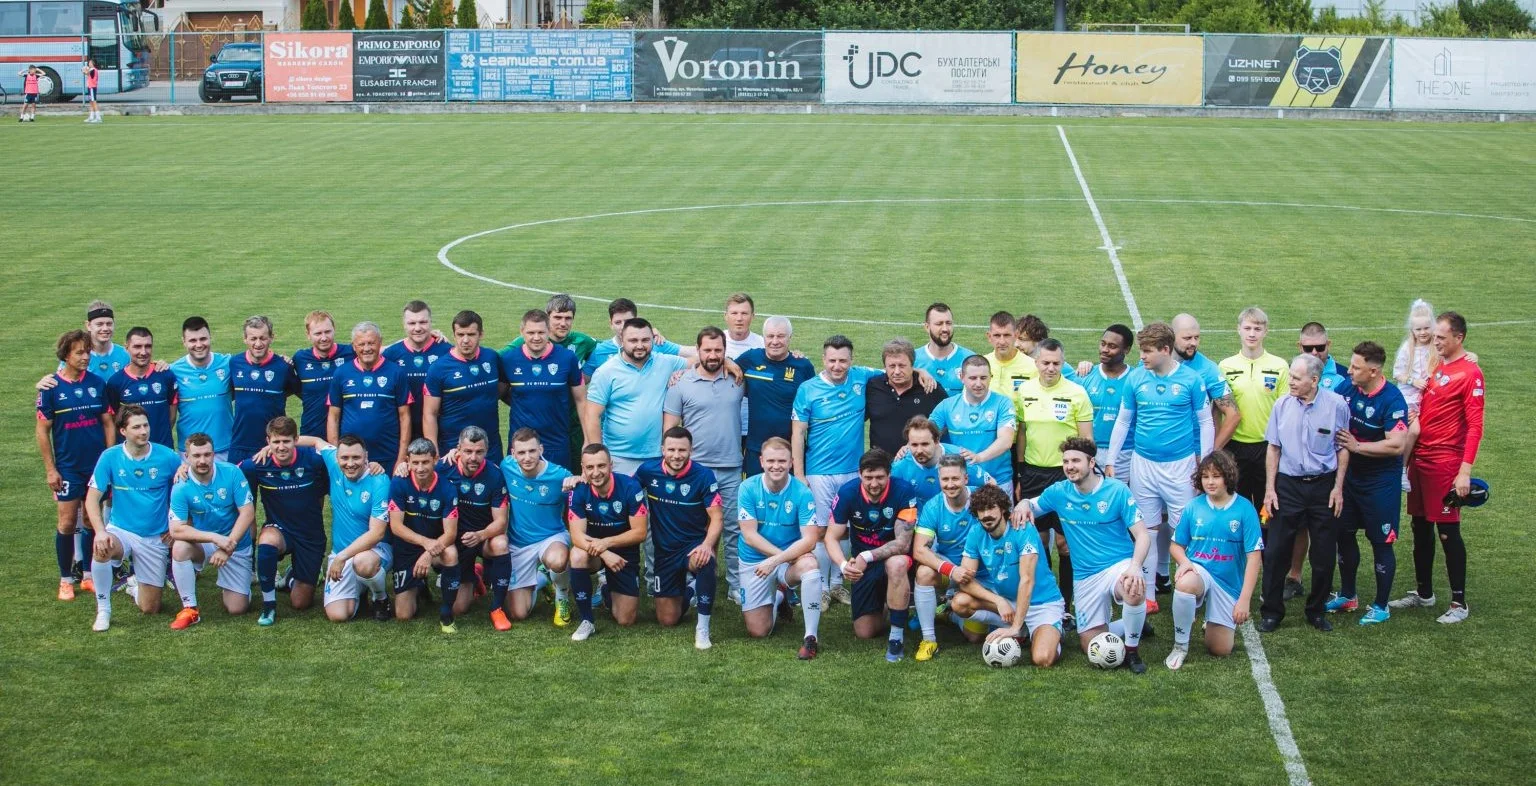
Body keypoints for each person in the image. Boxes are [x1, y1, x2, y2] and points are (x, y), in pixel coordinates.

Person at [1013, 437, 1151, 674]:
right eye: (1066, 461)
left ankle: (1132, 650)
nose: (1069, 466)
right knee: (1090, 645)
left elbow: (1143, 535)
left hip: (1118, 565)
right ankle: (1132, 622)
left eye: (1076, 461)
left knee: (1133, 588)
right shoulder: (1059, 492)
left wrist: (1135, 566)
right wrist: (1024, 502)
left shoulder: (1117, 491)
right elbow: (1032, 505)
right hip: (1085, 575)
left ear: (1091, 462)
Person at [1107, 322, 1213, 612]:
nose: (1141, 356)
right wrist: (1111, 459)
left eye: (1147, 351)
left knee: (1184, 530)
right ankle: (1150, 594)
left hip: (1181, 467)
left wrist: (1205, 461)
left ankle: (1190, 588)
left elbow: (1206, 421)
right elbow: (1124, 420)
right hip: (1143, 465)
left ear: (1165, 350)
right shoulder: (1136, 378)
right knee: (1149, 530)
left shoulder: (1191, 380)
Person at [1392, 312, 1483, 624]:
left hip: (1445, 464)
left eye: (1442, 337)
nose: (1435, 341)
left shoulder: (1470, 373)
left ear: (1459, 338)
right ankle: (1424, 593)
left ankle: (1459, 603)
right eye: (1435, 336)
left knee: (1447, 530)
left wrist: (1464, 470)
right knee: (1419, 526)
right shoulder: (1438, 365)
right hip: (1420, 459)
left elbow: (1475, 426)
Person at [1258, 354, 1350, 633]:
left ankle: (1316, 611)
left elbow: (1342, 448)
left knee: (1323, 554)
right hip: (1288, 485)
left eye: (1297, 378)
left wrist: (1338, 488)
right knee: (1276, 551)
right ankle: (1271, 612)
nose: (1291, 382)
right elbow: (1273, 448)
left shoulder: (1336, 405)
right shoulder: (1282, 405)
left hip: (1323, 486)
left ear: (1314, 380)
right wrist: (1270, 489)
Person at [793, 335, 882, 605]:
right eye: (832, 360)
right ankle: (821, 585)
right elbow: (798, 434)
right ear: (823, 359)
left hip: (853, 471)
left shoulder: (861, 377)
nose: (837, 366)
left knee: (844, 528)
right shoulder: (808, 389)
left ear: (851, 360)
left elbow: (893, 369)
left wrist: (921, 372)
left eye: (843, 360)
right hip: (819, 472)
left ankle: (836, 584)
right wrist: (799, 474)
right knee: (822, 530)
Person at [83, 405, 185, 631]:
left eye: (145, 425)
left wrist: (177, 525)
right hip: (122, 530)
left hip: (155, 536)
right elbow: (92, 499)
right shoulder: (110, 457)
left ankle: (134, 585)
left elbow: (186, 493)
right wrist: (100, 532)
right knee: (102, 548)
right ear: (123, 431)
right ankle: (103, 610)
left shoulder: (168, 457)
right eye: (136, 427)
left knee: (151, 608)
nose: (143, 431)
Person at [1329, 342, 1410, 626]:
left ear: (1373, 371)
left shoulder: (1392, 400)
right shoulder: (1348, 388)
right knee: (1343, 533)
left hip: (1380, 482)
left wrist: (1357, 446)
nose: (1349, 371)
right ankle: (1348, 595)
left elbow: (1396, 445)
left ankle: (1381, 605)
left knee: (1380, 541)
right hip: (1350, 477)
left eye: (1356, 367)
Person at [1012, 338, 1093, 616]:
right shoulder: (1024, 391)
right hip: (1033, 473)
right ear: (1036, 362)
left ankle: (1067, 604)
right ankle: (1048, 599)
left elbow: (1086, 440)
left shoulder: (1077, 393)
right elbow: (1022, 433)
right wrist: (1020, 471)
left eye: (1056, 363)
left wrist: (1082, 476)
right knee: (1039, 539)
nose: (1050, 368)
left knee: (1065, 543)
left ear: (1063, 363)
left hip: (1065, 475)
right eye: (1045, 362)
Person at [664, 326, 745, 602]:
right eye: (707, 350)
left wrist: (731, 363)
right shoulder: (680, 383)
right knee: (694, 529)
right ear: (697, 350)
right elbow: (670, 428)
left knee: (733, 527)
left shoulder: (738, 379)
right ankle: (693, 579)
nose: (713, 355)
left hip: (731, 467)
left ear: (725, 351)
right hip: (695, 470)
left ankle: (735, 584)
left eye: (718, 350)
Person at [36, 330, 115, 600]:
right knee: (68, 522)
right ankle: (65, 579)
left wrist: (108, 461)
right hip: (68, 468)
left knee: (92, 521)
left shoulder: (97, 383)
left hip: (95, 467)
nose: (85, 357)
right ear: (66, 355)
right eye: (79, 352)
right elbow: (42, 431)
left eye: (87, 352)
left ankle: (88, 575)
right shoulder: (50, 389)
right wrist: (51, 469)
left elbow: (107, 423)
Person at [1166, 450, 1263, 669]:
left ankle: (1210, 621)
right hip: (1200, 571)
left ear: (1228, 477)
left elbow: (1254, 558)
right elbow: (1175, 545)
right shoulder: (1193, 506)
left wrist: (1244, 600)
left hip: (1228, 583)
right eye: (1205, 476)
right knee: (1186, 583)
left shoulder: (1245, 509)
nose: (1210, 482)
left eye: (1216, 476)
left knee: (1220, 649)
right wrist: (1185, 562)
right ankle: (1180, 646)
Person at [951, 484, 1065, 669]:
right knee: (959, 602)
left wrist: (1015, 627)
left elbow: (1027, 580)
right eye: (981, 510)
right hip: (1009, 603)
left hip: (1042, 604)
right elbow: (965, 580)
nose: (986, 515)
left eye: (991, 508)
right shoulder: (976, 532)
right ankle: (1024, 631)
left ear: (1003, 509)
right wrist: (998, 600)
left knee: (1042, 659)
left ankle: (1053, 629)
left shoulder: (1023, 528)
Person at [824, 449, 920, 662]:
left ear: (889, 474)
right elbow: (830, 537)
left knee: (896, 564)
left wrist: (866, 556)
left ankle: (896, 638)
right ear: (860, 474)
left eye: (879, 477)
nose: (874, 484)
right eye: (868, 477)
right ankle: (890, 604)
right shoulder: (847, 493)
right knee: (864, 632)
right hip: (863, 565)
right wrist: (843, 565)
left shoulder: (904, 491)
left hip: (893, 558)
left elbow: (903, 544)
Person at [636, 427, 723, 650]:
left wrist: (707, 545)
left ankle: (702, 628)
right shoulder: (647, 471)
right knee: (667, 620)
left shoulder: (703, 475)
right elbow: (623, 489)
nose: (676, 455)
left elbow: (717, 518)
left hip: (691, 547)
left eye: (682, 450)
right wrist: (583, 479)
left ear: (691, 450)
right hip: (664, 552)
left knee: (705, 560)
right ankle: (692, 589)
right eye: (671, 450)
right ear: (662, 450)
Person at [736, 437, 823, 658]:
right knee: (758, 631)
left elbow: (810, 540)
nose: (776, 466)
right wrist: (779, 557)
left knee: (810, 565)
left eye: (782, 461)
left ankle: (811, 638)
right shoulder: (747, 487)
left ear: (791, 462)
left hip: (787, 560)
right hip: (755, 559)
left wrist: (776, 560)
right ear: (761, 461)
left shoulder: (802, 492)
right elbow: (749, 536)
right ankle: (780, 597)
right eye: (771, 461)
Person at [242, 416, 330, 627]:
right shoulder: (255, 465)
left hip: (310, 534)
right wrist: (186, 469)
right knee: (267, 541)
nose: (281, 447)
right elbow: (224, 473)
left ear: (296, 440)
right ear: (268, 441)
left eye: (286, 441)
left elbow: (342, 461)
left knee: (300, 603)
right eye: (276, 442)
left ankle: (292, 576)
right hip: (280, 529)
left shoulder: (315, 461)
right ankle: (269, 605)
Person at [167, 432, 257, 628]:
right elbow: (176, 530)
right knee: (180, 548)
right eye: (196, 456)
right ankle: (190, 609)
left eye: (207, 455)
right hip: (207, 542)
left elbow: (247, 513)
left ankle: (239, 586)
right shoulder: (181, 485)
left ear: (214, 454)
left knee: (237, 608)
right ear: (186, 457)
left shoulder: (232, 472)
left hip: (236, 543)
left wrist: (227, 547)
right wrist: (215, 539)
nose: (202, 461)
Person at [584, 317, 692, 476]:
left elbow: (701, 361)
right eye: (633, 340)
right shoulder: (606, 372)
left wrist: (683, 371)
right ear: (622, 340)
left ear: (653, 340)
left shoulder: (665, 362)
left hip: (658, 457)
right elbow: (592, 416)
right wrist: (599, 457)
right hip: (619, 458)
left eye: (645, 340)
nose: (640, 345)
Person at [503, 294, 598, 470]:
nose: (536, 337)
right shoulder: (509, 358)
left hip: (557, 441)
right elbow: (496, 391)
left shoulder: (568, 357)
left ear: (548, 331)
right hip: (521, 443)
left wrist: (588, 439)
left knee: (561, 484)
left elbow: (581, 400)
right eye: (531, 333)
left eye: (541, 332)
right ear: (522, 332)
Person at [566, 444, 649, 641]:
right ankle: (587, 620)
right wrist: (604, 551)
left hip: (623, 552)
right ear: (583, 468)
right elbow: (577, 536)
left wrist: (606, 543)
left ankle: (605, 589)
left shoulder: (630, 487)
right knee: (577, 554)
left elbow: (640, 532)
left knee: (626, 619)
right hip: (594, 552)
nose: (596, 472)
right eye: (590, 467)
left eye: (601, 466)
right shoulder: (578, 490)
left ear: (611, 464)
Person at [499, 428, 577, 626]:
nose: (527, 457)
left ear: (540, 449)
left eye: (532, 451)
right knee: (518, 613)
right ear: (513, 453)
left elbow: (583, 493)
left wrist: (579, 479)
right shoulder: (506, 467)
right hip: (519, 544)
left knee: (558, 560)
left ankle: (562, 598)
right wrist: (455, 454)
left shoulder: (560, 475)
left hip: (551, 538)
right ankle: (543, 578)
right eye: (521, 452)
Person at [911, 455, 983, 661]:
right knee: (924, 572)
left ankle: (950, 611)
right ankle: (929, 639)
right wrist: (951, 570)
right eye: (945, 479)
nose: (950, 484)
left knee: (975, 637)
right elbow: (919, 550)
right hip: (952, 570)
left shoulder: (981, 499)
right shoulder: (933, 506)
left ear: (966, 478)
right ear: (939, 480)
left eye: (955, 479)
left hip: (981, 573)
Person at [316, 434, 393, 624]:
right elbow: (315, 441)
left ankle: (380, 598)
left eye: (356, 457)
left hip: (375, 551)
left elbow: (377, 533)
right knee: (338, 615)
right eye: (345, 458)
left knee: (363, 562)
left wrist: (342, 557)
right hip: (341, 553)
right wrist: (270, 448)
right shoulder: (333, 464)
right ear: (336, 458)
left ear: (366, 456)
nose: (350, 463)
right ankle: (362, 587)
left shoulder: (379, 480)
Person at [440, 426, 512, 629]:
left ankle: (497, 608)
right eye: (468, 451)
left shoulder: (495, 475)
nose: (473, 457)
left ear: (486, 451)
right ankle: (474, 576)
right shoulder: (444, 467)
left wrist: (480, 535)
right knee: (459, 608)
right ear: (458, 450)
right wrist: (403, 466)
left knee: (501, 543)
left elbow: (501, 522)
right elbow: (419, 470)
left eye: (479, 452)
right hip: (454, 539)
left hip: (482, 538)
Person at [387, 438, 461, 633]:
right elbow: (396, 526)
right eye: (416, 462)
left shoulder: (447, 488)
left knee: (451, 553)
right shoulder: (399, 483)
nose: (420, 468)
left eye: (425, 462)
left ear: (435, 460)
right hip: (407, 549)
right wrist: (425, 543)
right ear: (408, 462)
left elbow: (451, 534)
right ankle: (419, 585)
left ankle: (446, 613)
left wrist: (428, 553)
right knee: (403, 615)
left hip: (436, 548)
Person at [1220, 307, 1290, 513]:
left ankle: (1265, 536)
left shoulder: (1279, 366)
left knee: (1266, 506)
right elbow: (1219, 410)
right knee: (1235, 505)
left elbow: (1285, 410)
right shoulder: (1225, 366)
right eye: (1247, 328)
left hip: (1267, 446)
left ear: (1265, 331)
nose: (1252, 334)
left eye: (1257, 329)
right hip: (1234, 446)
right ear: (1238, 329)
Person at [327, 321, 411, 473]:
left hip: (388, 455)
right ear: (354, 346)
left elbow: (405, 417)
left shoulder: (396, 372)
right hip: (351, 458)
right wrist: (336, 455)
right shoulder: (341, 373)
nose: (366, 348)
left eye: (371, 343)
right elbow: (333, 417)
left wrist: (401, 457)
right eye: (361, 344)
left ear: (380, 343)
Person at [424, 310, 506, 463]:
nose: (465, 340)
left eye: (471, 334)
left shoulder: (492, 357)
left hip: (490, 447)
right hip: (453, 450)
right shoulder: (439, 368)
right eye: (460, 334)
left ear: (481, 334)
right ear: (454, 335)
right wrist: (433, 454)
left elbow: (503, 386)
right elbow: (429, 414)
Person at [738, 316, 816, 476]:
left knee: (790, 492)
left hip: (791, 450)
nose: (775, 341)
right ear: (763, 337)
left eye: (780, 336)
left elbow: (813, 407)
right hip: (756, 449)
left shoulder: (803, 366)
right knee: (756, 491)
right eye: (770, 336)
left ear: (790, 338)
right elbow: (726, 365)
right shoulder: (750, 359)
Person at [930, 355, 1016, 494]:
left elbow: (1006, 441)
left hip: (998, 481)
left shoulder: (1003, 403)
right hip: (962, 483)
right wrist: (907, 447)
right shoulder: (947, 406)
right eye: (973, 378)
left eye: (983, 378)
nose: (978, 383)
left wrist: (979, 457)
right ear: (962, 377)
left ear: (990, 377)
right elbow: (927, 436)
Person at [228, 315, 299, 465]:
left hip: (274, 446)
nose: (258, 344)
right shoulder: (234, 363)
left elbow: (300, 392)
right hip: (240, 445)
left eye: (263, 338)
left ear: (271, 338)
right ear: (245, 339)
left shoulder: (283, 367)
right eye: (253, 338)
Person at [383, 300, 452, 441]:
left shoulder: (447, 352)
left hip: (441, 433)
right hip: (401, 433)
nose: (418, 328)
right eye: (412, 323)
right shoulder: (391, 355)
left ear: (431, 322)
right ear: (404, 324)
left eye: (423, 322)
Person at [865, 338, 946, 457]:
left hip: (918, 462)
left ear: (912, 365)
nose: (897, 371)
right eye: (892, 366)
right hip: (881, 464)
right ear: (885, 367)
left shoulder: (929, 388)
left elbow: (947, 421)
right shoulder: (873, 386)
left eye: (902, 366)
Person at [1173, 313, 1242, 451]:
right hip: (1152, 453)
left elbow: (1233, 415)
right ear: (1172, 337)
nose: (1193, 343)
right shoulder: (1154, 362)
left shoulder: (1208, 369)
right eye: (1187, 338)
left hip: (1193, 453)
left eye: (1196, 337)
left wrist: (1211, 453)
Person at [171, 316, 234, 460]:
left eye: (203, 339)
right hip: (190, 453)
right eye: (193, 340)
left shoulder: (228, 363)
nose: (199, 345)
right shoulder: (173, 371)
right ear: (184, 341)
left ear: (210, 337)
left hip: (226, 449)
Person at [891, 416, 993, 503]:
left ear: (937, 440)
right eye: (914, 445)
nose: (919, 450)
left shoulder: (960, 458)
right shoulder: (901, 464)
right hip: (918, 518)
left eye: (925, 444)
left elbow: (991, 484)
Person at [582, 298, 690, 380]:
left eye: (628, 321)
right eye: (618, 322)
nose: (623, 327)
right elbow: (580, 382)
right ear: (611, 324)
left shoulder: (655, 342)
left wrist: (682, 371)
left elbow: (695, 354)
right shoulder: (600, 351)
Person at [105, 327, 178, 449]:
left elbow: (172, 416)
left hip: (162, 449)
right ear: (126, 348)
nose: (143, 352)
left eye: (148, 346)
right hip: (131, 452)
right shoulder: (115, 382)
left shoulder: (166, 376)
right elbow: (114, 420)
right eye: (137, 347)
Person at [1079, 324, 1135, 482]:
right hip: (1091, 451)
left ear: (1126, 350)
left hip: (1125, 453)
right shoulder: (1085, 376)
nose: (1104, 349)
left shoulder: (1135, 378)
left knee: (1121, 495)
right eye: (1103, 344)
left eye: (1112, 346)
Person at [293, 311, 354, 440]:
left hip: (346, 434)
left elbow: (379, 348)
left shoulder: (351, 353)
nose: (324, 338)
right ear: (308, 334)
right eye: (318, 333)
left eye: (327, 332)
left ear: (334, 330)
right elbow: (292, 387)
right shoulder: (300, 358)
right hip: (311, 433)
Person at [914, 303, 975, 396]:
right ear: (927, 327)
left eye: (948, 323)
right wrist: (916, 371)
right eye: (939, 324)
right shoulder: (913, 359)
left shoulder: (970, 359)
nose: (945, 329)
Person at [1393, 299, 1436, 415]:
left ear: (1433, 327)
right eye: (1418, 329)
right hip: (1409, 397)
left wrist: (1471, 355)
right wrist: (1413, 381)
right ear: (1412, 330)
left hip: (1429, 395)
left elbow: (1453, 354)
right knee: (1414, 424)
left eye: (1426, 328)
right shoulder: (1407, 348)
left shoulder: (1436, 345)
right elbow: (1397, 373)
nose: (1423, 332)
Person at [983, 311, 1036, 396]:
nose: (1002, 342)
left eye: (1007, 335)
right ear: (989, 337)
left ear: (1016, 336)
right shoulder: (981, 365)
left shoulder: (1033, 367)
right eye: (997, 335)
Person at [1298, 322, 1348, 392]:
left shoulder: (1344, 375)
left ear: (1328, 345)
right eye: (1308, 348)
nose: (1314, 353)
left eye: (1320, 347)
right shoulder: (1289, 372)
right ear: (1300, 346)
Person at [82, 58, 101, 123]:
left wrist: (84, 70)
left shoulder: (93, 69)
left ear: (93, 63)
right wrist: (85, 70)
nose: (89, 64)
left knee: (94, 102)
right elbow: (87, 73)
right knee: (91, 102)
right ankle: (91, 117)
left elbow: (86, 72)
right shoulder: (91, 70)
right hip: (90, 87)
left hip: (92, 87)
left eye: (90, 63)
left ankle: (98, 118)